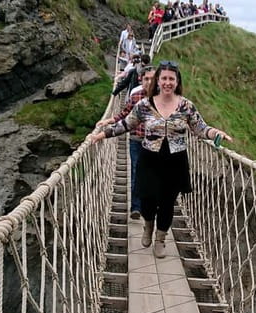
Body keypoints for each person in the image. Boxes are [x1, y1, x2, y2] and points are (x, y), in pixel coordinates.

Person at [90, 61, 232, 258]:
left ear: (177, 81)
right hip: (149, 159)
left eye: (171, 79)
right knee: (147, 201)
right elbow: (126, 124)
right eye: (164, 78)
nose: (167, 82)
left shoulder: (186, 106)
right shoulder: (144, 105)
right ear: (158, 80)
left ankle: (160, 239)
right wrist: (102, 135)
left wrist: (216, 133)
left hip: (175, 162)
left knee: (167, 203)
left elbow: (200, 128)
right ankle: (148, 226)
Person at [97, 66, 157, 220]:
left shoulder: (164, 98)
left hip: (156, 143)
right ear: (140, 80)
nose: (149, 82)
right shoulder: (136, 96)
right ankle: (136, 208)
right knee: (136, 171)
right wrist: (109, 121)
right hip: (136, 140)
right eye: (146, 79)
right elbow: (125, 114)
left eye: (152, 78)